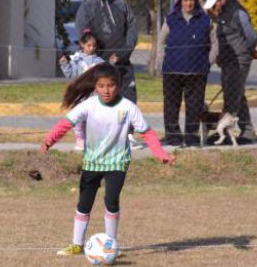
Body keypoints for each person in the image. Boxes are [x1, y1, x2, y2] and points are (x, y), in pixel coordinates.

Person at [40, 63, 176, 256]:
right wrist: (49, 140)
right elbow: (66, 123)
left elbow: (147, 133)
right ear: (95, 87)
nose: (106, 90)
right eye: (101, 86)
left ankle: (111, 244)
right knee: (84, 203)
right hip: (92, 162)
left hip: (117, 163)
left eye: (110, 85)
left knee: (111, 201)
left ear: (118, 85)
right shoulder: (88, 105)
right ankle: (77, 244)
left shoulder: (128, 108)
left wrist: (161, 154)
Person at [156, 0, 212, 147]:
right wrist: (163, 59)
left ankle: (191, 138)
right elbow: (161, 41)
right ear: (180, 1)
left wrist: (208, 60)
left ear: (196, 2)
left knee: (194, 106)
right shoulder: (171, 19)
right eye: (185, 0)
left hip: (197, 72)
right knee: (171, 105)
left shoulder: (205, 20)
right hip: (172, 71)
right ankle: (173, 137)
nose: (189, 4)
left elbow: (215, 42)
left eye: (191, 0)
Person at [203, 0, 257, 145]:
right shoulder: (223, 13)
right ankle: (247, 131)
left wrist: (248, 51)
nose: (213, 8)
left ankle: (228, 132)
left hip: (238, 60)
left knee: (232, 95)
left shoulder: (237, 12)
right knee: (236, 93)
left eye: (215, 3)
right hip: (228, 60)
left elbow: (252, 37)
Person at [74, 0, 138, 103]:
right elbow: (84, 37)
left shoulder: (121, 4)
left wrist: (124, 52)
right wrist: (95, 59)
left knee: (128, 105)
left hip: (122, 65)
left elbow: (132, 26)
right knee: (100, 109)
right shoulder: (86, 9)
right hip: (99, 67)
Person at [58, 31, 109, 152]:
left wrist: (110, 64)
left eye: (94, 46)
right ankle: (80, 139)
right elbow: (70, 74)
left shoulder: (99, 62)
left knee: (95, 120)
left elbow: (104, 76)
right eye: (89, 45)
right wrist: (64, 63)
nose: (92, 48)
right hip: (79, 95)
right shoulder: (76, 60)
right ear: (82, 44)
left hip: (94, 96)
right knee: (78, 118)